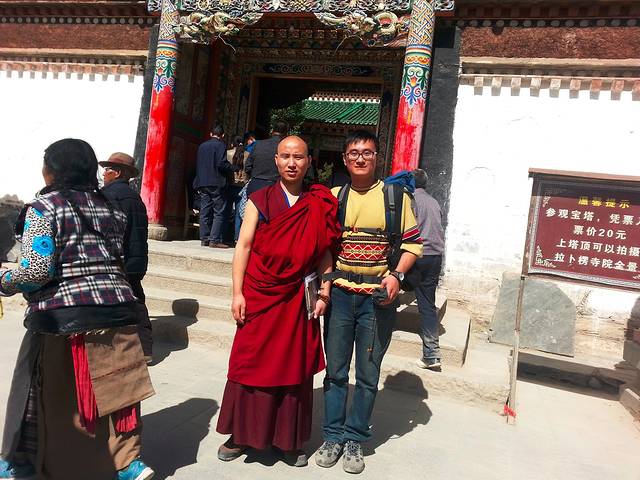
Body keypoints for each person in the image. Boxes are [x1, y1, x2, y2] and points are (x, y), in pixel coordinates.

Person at [0, 139, 155, 480]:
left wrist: (5, 279)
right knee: (119, 390)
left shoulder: (43, 208)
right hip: (118, 308)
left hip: (65, 318)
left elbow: (37, 271)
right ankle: (127, 462)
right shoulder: (111, 207)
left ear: (53, 171)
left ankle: (26, 460)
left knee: (38, 392)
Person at [216, 136, 341, 467]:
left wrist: (325, 292)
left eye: (298, 157)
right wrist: (237, 292)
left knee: (293, 367)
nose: (291, 163)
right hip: (261, 293)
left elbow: (325, 252)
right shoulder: (260, 199)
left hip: (298, 298)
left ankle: (288, 440)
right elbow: (243, 246)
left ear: (309, 161)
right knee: (249, 362)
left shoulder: (319, 201)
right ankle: (241, 434)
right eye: (285, 156)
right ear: (276, 161)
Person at [315, 130, 422, 474]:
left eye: (367, 153)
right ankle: (332, 436)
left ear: (377, 158)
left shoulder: (395, 197)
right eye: (354, 153)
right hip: (340, 296)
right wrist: (325, 288)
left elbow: (413, 244)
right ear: (344, 159)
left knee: (367, 373)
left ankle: (355, 438)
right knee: (335, 372)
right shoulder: (335, 197)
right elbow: (323, 246)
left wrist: (397, 276)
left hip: (377, 299)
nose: (360, 158)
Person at [100, 152, 153, 363]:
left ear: (118, 173)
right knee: (136, 303)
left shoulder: (109, 196)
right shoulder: (134, 197)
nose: (103, 174)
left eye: (107, 170)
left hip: (118, 260)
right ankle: (144, 349)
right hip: (135, 259)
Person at [411, 169, 446, 370]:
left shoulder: (411, 201)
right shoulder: (434, 202)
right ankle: (432, 353)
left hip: (417, 255)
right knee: (427, 304)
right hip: (435, 256)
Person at [193, 125, 237, 248]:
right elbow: (221, 163)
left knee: (205, 210)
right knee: (219, 211)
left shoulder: (202, 146)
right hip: (216, 182)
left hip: (203, 182)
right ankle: (214, 239)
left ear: (211, 134)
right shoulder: (221, 145)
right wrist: (233, 168)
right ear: (222, 135)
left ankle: (204, 238)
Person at [244, 120, 288, 196]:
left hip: (255, 185)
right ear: (286, 133)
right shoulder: (286, 147)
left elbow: (247, 167)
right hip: (276, 187)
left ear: (272, 130)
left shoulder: (258, 144)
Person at [226, 137, 249, 243]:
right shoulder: (248, 155)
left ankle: (224, 236)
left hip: (230, 185)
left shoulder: (228, 153)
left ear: (232, 144)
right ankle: (237, 238)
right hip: (242, 186)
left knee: (226, 211)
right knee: (239, 214)